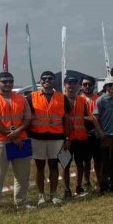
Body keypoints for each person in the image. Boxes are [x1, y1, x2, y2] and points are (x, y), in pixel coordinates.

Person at [0, 72, 33, 217]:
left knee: (23, 176)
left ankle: (21, 203)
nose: (8, 84)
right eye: (4, 82)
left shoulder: (21, 99)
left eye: (10, 81)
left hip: (20, 141)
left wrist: (17, 132)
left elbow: (27, 119)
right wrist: (11, 135)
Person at [27, 70, 71, 206]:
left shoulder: (62, 98)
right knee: (39, 167)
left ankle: (53, 194)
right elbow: (27, 119)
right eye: (44, 78)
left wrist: (67, 138)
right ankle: (41, 196)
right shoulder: (31, 97)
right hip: (37, 138)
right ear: (40, 81)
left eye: (50, 79)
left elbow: (66, 120)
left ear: (54, 81)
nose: (47, 81)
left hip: (56, 138)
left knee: (53, 166)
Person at [62, 75, 83, 198]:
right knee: (66, 165)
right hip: (66, 139)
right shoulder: (61, 99)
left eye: (74, 83)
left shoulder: (81, 100)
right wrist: (65, 138)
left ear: (77, 86)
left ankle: (79, 186)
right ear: (65, 85)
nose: (72, 86)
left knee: (80, 164)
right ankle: (66, 189)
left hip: (80, 138)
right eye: (69, 83)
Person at [80, 76, 101, 191]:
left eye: (89, 84)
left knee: (98, 159)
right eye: (85, 84)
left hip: (98, 132)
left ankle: (99, 181)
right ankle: (87, 182)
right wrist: (91, 119)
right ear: (81, 86)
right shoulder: (78, 99)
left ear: (94, 85)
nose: (87, 86)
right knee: (86, 161)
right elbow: (77, 117)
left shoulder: (99, 98)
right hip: (84, 133)